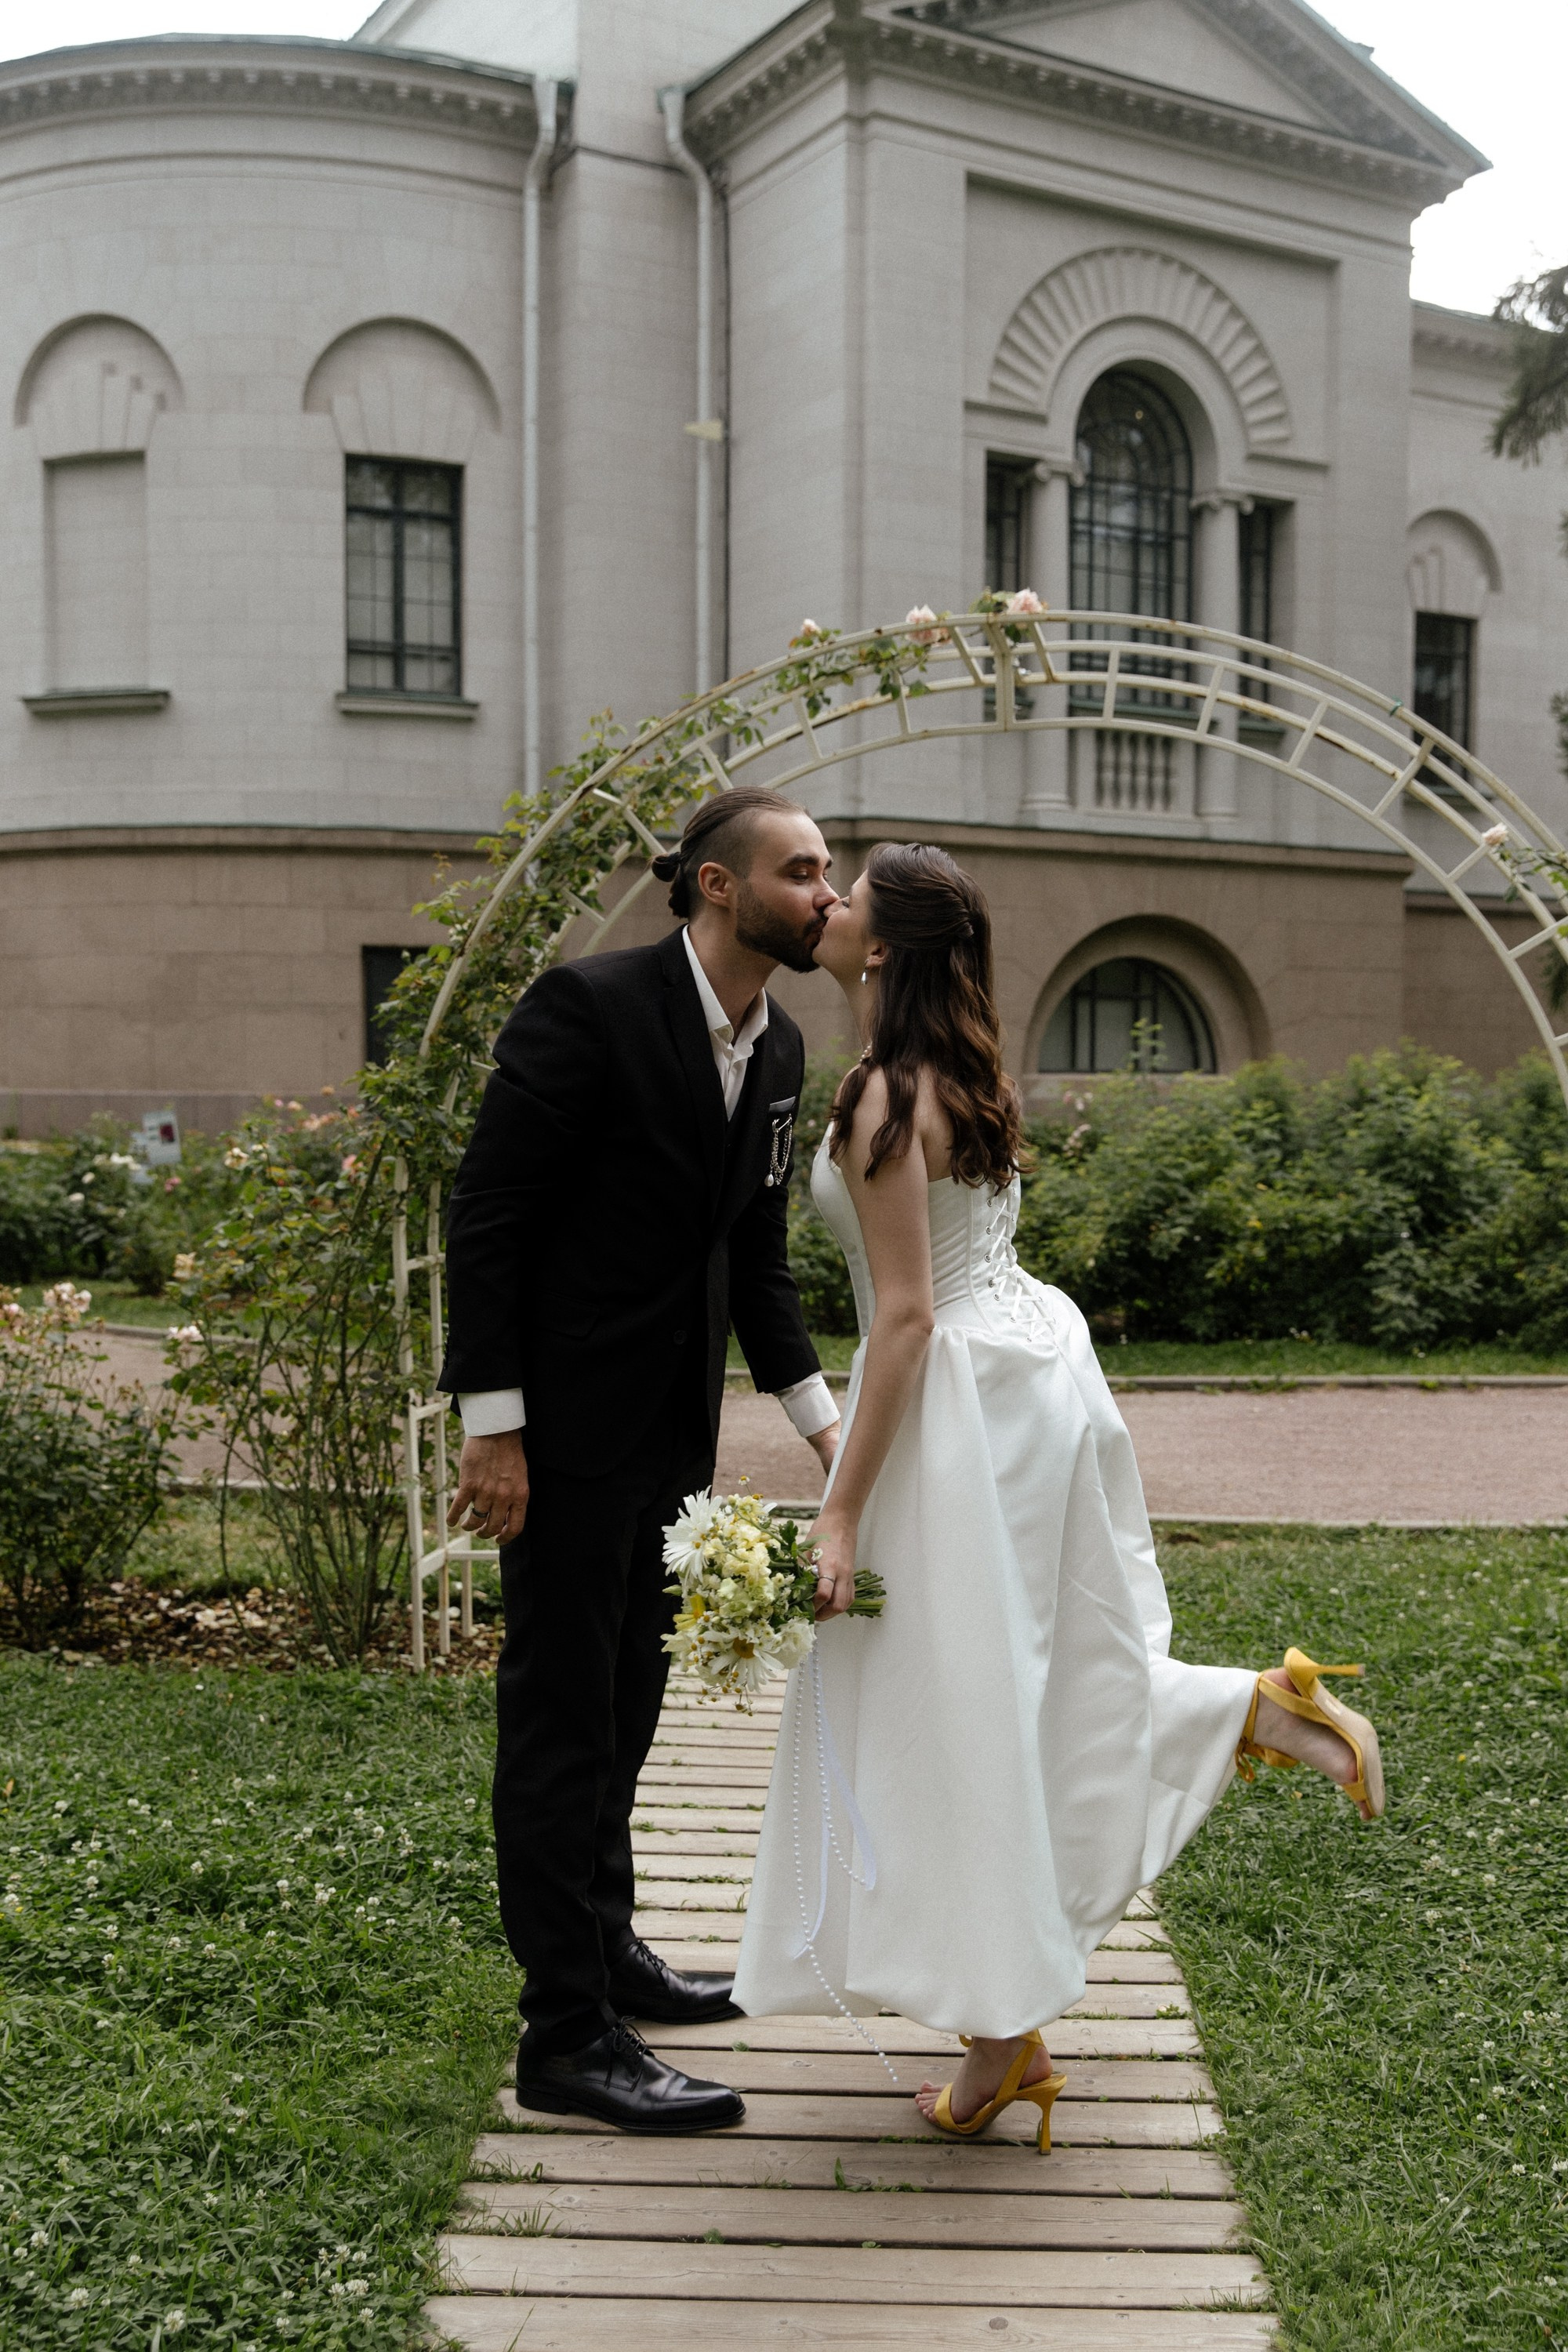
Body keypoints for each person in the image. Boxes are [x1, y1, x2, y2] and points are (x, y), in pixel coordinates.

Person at [732, 841, 1383, 2147]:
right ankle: (1248, 1715)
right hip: (1035, 1380)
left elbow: (905, 1320)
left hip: (958, 1411)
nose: (832, 904)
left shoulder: (880, 1095)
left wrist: (844, 1505)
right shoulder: (965, 1077)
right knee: (1030, 1680)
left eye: (850, 892)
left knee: (956, 1709)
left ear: (889, 945)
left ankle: (1005, 2029)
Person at [440, 786, 843, 2134]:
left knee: (628, 1703)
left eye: (829, 873)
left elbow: (755, 1261)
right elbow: (488, 1213)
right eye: (802, 872)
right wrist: (493, 1424)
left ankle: (607, 1956)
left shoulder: (779, 1049)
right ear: (720, 888)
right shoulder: (588, 1008)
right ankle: (564, 2038)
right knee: (561, 1718)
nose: (826, 894)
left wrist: (828, 1433)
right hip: (552, 1437)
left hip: (673, 1437)